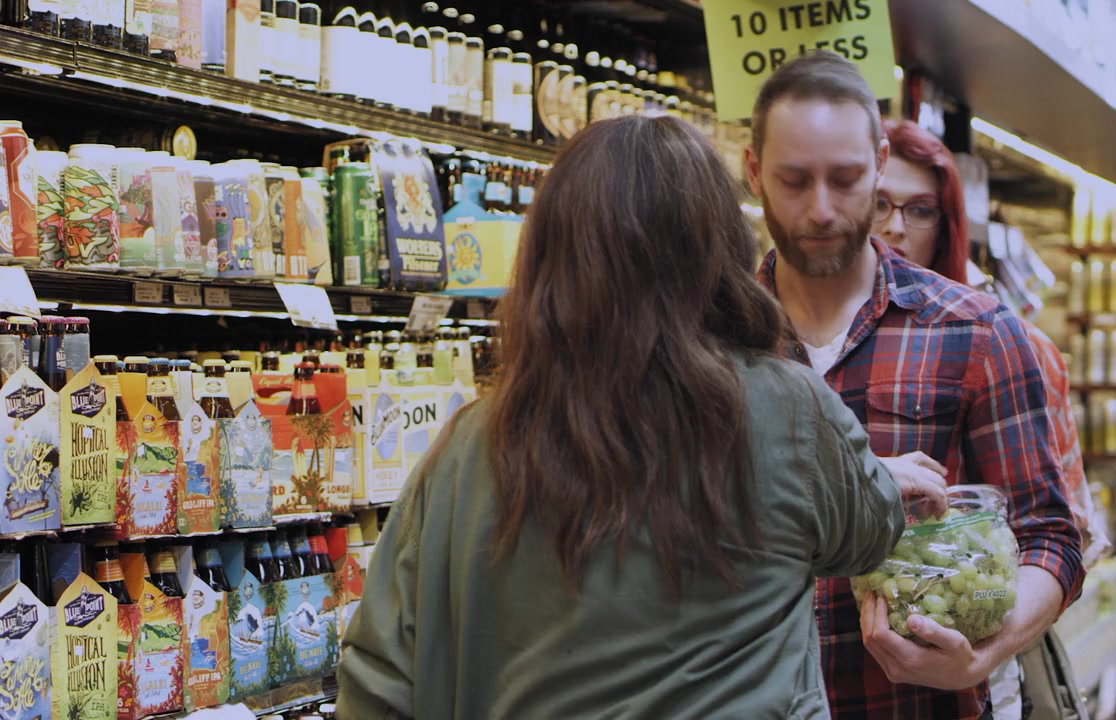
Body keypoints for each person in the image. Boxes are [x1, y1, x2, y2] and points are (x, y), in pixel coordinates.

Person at [336, 115, 949, 720]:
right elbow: (868, 533)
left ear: (547, 257)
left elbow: (378, 679)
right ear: (719, 248)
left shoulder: (468, 447)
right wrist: (872, 476)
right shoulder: (788, 409)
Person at [745, 51, 1085, 720]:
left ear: (879, 163)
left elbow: (1051, 535)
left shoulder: (976, 331)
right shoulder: (712, 337)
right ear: (754, 171)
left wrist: (986, 654)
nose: (821, 209)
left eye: (846, 179)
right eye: (793, 180)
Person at [874, 118, 1110, 720]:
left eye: (919, 210)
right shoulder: (779, 333)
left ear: (947, 224)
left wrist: (986, 631)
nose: (894, 227)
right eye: (878, 202)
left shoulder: (1004, 342)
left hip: (967, 675)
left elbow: (1067, 531)